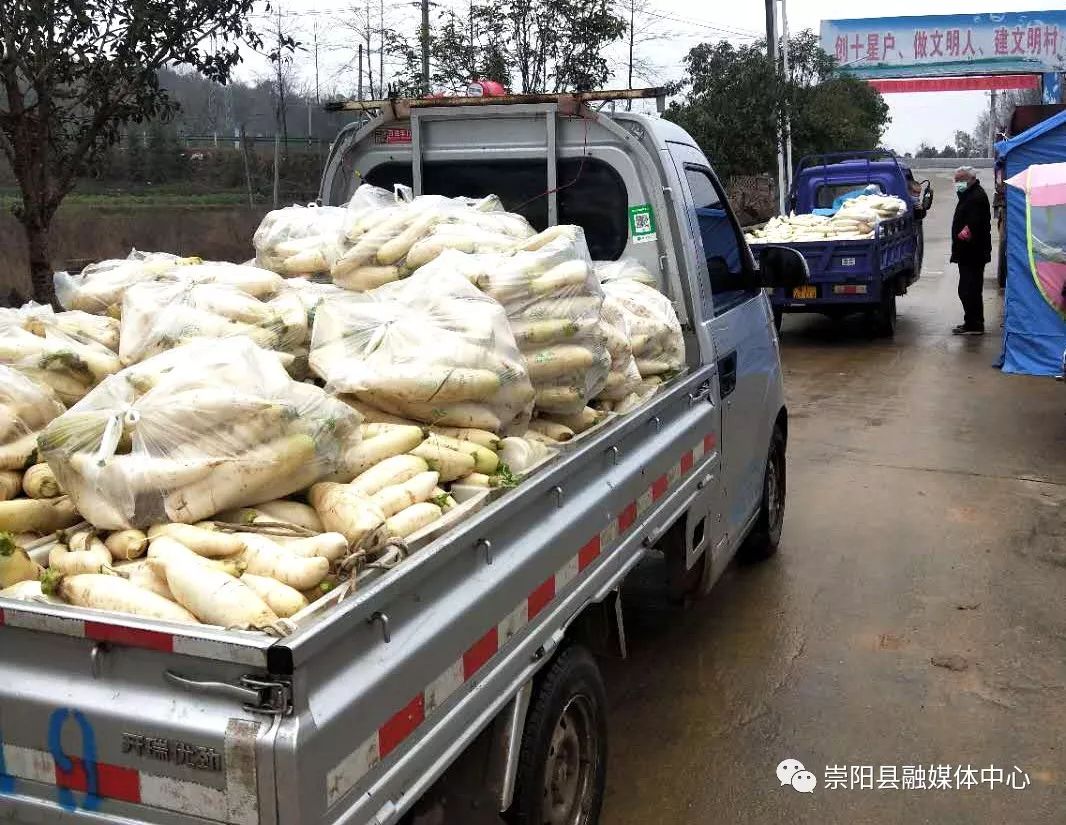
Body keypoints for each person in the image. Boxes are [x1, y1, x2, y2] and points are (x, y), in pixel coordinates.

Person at [950, 166, 992, 335]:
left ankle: (974, 325)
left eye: (961, 180)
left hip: (973, 252)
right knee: (968, 289)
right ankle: (972, 322)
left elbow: (974, 224)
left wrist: (964, 234)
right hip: (967, 252)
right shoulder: (968, 194)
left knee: (969, 289)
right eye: (956, 180)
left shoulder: (976, 197)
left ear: (972, 179)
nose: (958, 183)